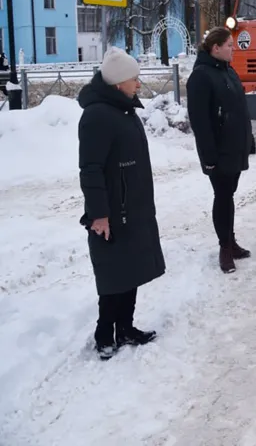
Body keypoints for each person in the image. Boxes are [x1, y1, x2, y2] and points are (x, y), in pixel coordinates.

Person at [78, 47, 164, 360]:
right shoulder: (97, 115)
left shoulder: (121, 109)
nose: (138, 84)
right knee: (114, 274)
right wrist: (99, 214)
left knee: (131, 269)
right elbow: (90, 169)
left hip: (132, 206)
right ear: (118, 84)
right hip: (113, 211)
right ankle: (104, 335)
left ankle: (125, 328)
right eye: (134, 79)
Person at [186, 27, 255, 274]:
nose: (232, 49)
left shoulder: (228, 71)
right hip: (218, 152)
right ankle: (224, 248)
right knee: (223, 197)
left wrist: (249, 141)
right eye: (229, 45)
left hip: (235, 147)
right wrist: (209, 157)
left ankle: (231, 241)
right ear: (216, 48)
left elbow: (240, 110)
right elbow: (200, 122)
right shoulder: (201, 77)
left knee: (229, 196)